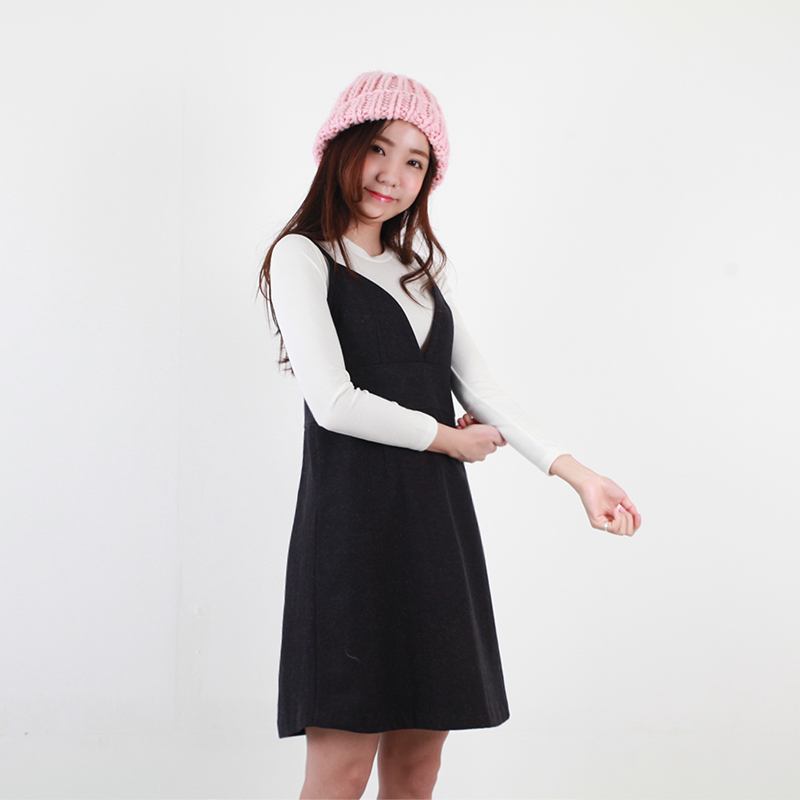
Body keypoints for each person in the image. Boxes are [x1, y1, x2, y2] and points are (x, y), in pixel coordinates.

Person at [259, 72, 642, 800]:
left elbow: (484, 391)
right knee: (340, 772)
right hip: (350, 536)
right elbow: (333, 402)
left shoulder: (418, 272)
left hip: (434, 534)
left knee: (417, 771)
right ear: (340, 146)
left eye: (415, 162)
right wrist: (446, 438)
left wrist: (580, 477)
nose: (392, 176)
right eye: (380, 149)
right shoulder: (302, 256)